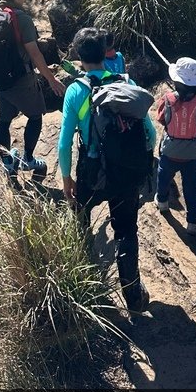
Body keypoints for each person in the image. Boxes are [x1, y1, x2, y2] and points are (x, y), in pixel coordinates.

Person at [58, 27, 156, 312]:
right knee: (126, 229)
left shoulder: (76, 90)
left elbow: (64, 145)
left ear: (78, 55)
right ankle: (133, 295)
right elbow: (150, 133)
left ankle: (87, 283)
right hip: (124, 170)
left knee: (80, 217)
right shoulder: (127, 82)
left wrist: (66, 179)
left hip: (91, 170)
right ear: (105, 52)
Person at [0, 0, 65, 175]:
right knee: (35, 116)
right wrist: (52, 79)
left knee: (4, 120)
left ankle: (8, 162)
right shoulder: (21, 19)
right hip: (20, 79)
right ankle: (28, 159)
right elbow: (34, 53)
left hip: (0, 79)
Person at [154, 57, 196, 236]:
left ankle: (162, 202)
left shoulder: (168, 99)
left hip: (170, 149)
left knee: (163, 177)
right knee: (192, 188)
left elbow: (161, 118)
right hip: (192, 153)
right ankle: (192, 223)